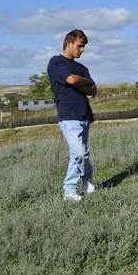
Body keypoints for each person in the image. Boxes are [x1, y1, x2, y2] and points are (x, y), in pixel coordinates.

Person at [47, 29, 97, 202]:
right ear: (69, 43)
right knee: (81, 154)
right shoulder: (56, 62)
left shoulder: (82, 68)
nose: (82, 50)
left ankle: (71, 191)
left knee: (77, 155)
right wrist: (82, 81)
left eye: (83, 46)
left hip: (84, 114)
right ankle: (84, 180)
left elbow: (93, 90)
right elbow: (71, 80)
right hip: (68, 116)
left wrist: (79, 80)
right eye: (80, 45)